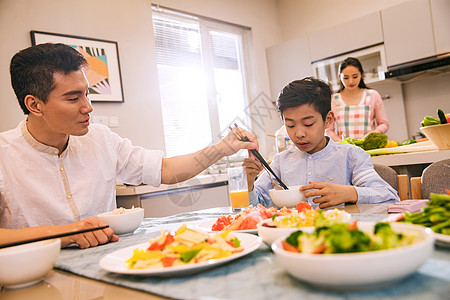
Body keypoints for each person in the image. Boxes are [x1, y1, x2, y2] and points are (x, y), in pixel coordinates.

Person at [0, 43, 258, 248]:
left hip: (106, 265)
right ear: (34, 105)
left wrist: (223, 148)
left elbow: (166, 170)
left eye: (87, 93)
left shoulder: (101, 139)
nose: (88, 107)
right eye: (73, 98)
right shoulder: (4, 155)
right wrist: (63, 234)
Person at [243, 77, 399, 208]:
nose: (299, 134)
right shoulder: (279, 162)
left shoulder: (350, 156)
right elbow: (254, 207)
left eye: (308, 124)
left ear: (328, 120)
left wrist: (349, 193)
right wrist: (249, 183)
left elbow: (389, 196)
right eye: (290, 125)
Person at [325, 57, 389, 142]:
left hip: (369, 147)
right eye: (346, 78)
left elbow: (384, 124)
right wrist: (343, 143)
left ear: (361, 75)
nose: (351, 81)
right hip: (345, 150)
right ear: (339, 77)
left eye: (355, 77)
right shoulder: (333, 99)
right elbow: (329, 131)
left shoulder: (373, 95)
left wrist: (373, 134)